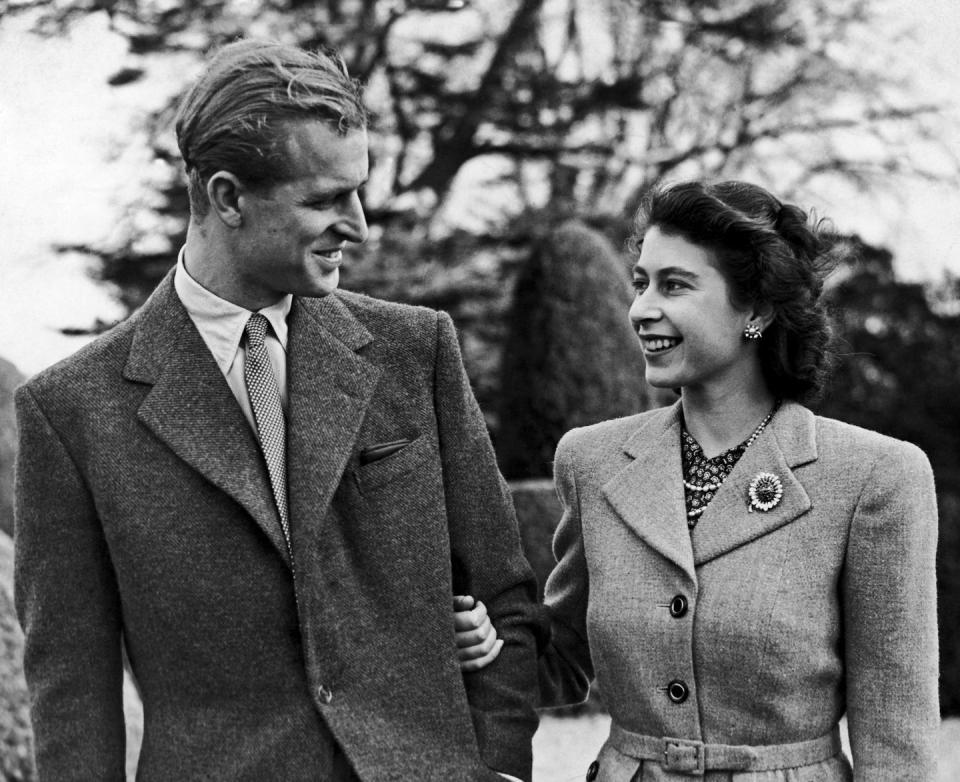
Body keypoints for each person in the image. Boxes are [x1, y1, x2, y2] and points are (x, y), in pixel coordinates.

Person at [14, 39, 541, 781]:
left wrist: (499, 768)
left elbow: (503, 597)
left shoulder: (413, 350)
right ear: (227, 197)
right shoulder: (69, 412)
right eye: (326, 200)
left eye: (357, 192)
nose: (358, 225)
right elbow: (73, 695)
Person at [456, 181, 940, 781]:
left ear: (757, 309)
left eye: (675, 285)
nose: (640, 308)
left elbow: (896, 737)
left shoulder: (875, 478)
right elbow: (564, 659)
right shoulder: (591, 461)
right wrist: (491, 646)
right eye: (640, 283)